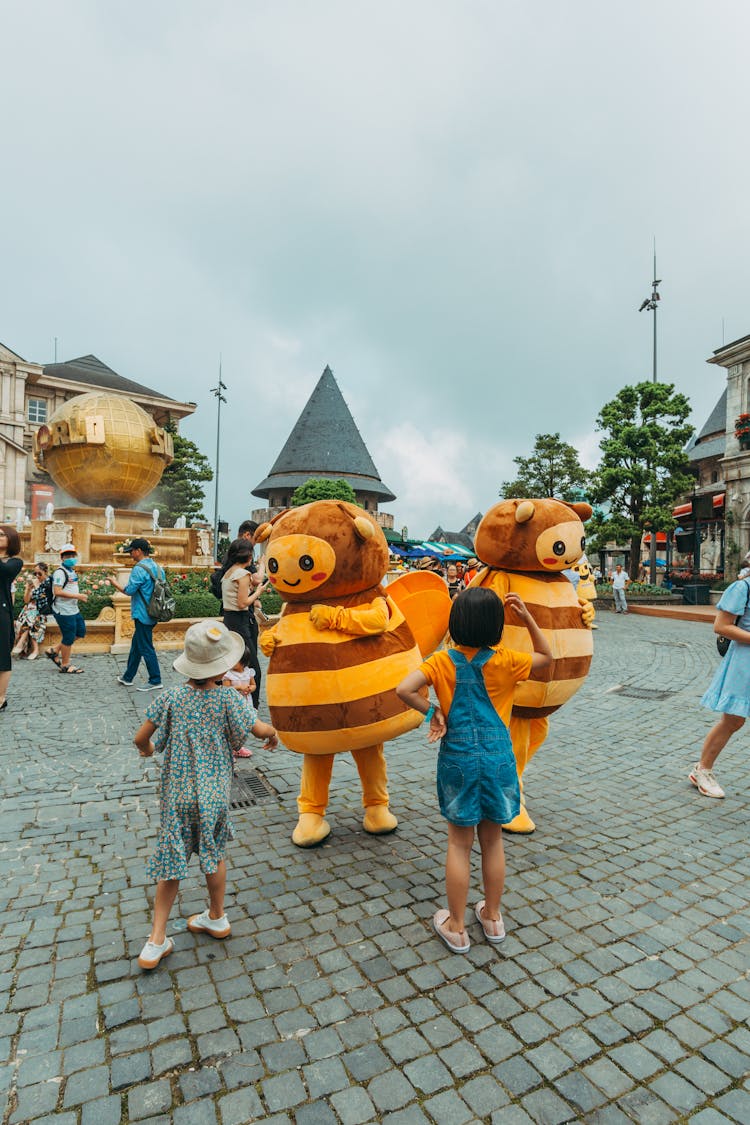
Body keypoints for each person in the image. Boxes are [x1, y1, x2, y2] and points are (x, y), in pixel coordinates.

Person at [396, 587, 552, 953]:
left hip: (459, 758)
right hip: (498, 757)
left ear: (456, 622)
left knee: (458, 844)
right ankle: (494, 917)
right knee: (493, 840)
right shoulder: (507, 660)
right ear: (496, 625)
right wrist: (528, 617)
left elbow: (404, 689)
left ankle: (456, 926)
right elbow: (547, 656)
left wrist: (431, 709)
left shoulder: (441, 662)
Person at [133, 620, 278, 969]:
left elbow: (141, 738)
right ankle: (216, 916)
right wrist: (272, 735)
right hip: (214, 796)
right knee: (214, 855)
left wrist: (149, 749)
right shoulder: (229, 698)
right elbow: (259, 729)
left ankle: (156, 940)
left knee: (172, 861)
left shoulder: (170, 698)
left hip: (178, 797)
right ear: (222, 665)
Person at [690, 567, 750, 799]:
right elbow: (721, 626)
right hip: (744, 660)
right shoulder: (742, 587)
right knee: (733, 720)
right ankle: (702, 770)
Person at [108, 538, 163, 691]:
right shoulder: (157, 567)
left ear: (138, 551)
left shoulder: (139, 568)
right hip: (155, 611)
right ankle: (128, 677)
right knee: (137, 645)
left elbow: (129, 591)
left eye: (131, 551)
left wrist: (114, 582)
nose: (130, 554)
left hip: (143, 613)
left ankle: (155, 679)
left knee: (145, 647)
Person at [220, 538, 267, 707]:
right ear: (248, 557)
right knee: (253, 666)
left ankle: (233, 703)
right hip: (240, 622)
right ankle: (252, 707)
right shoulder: (243, 574)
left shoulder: (229, 572)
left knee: (231, 663)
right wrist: (258, 592)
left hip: (229, 620)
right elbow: (242, 603)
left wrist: (261, 564)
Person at [47, 543, 88, 675]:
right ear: (62, 558)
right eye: (67, 556)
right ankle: (65, 665)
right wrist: (78, 596)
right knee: (69, 637)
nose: (71, 558)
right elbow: (57, 591)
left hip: (73, 609)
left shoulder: (71, 570)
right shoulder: (60, 572)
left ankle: (54, 650)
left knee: (80, 632)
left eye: (72, 555)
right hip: (63, 610)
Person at [0, 525, 23, 709]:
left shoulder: (14, 562)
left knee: (2, 657)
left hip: (2, 612)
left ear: (11, 540)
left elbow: (5, 572)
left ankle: (0, 698)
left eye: (1, 535)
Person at [222, 644, 257, 758]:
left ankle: (238, 746)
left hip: (246, 701)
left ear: (243, 661)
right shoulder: (228, 674)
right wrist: (239, 687)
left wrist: (251, 688)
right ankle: (233, 747)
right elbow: (225, 689)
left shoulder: (248, 672)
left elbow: (253, 684)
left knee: (244, 724)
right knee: (234, 724)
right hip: (234, 704)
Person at [13, 562, 50, 660]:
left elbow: (45, 599)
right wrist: (28, 590)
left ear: (45, 572)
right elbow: (26, 600)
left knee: (32, 616)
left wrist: (37, 589)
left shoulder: (48, 583)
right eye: (35, 573)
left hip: (42, 610)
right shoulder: (32, 582)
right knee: (31, 617)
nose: (37, 576)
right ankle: (35, 650)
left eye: (39, 573)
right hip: (29, 611)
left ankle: (21, 642)